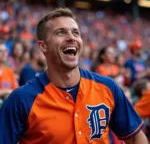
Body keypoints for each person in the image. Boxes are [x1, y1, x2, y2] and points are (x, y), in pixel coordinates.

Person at [0, 8, 148, 144]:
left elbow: (135, 137)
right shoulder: (21, 99)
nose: (71, 37)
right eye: (60, 32)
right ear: (43, 46)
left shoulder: (108, 87)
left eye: (76, 32)